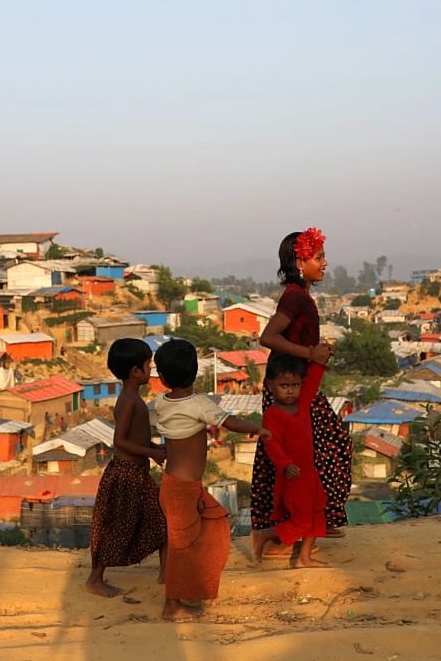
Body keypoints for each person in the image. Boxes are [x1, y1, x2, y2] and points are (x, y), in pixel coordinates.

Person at [153, 339, 269, 622]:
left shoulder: (160, 402)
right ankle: (172, 604)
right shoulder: (199, 404)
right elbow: (229, 423)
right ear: (196, 372)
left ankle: (184, 586)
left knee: (200, 532)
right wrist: (259, 429)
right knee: (186, 543)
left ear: (163, 378)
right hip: (183, 489)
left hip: (177, 485)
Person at [254, 228, 351, 549]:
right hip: (291, 389)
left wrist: (316, 352)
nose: (325, 263)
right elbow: (268, 338)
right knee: (326, 448)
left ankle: (313, 521)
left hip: (297, 385)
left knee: (312, 451)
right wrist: (311, 354)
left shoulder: (300, 295)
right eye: (319, 257)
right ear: (300, 261)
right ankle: (304, 523)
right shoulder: (296, 296)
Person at [86, 338, 167, 597]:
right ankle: (95, 579)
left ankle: (167, 575)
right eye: (148, 365)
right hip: (126, 474)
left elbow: (135, 437)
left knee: (161, 521)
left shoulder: (132, 398)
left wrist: (154, 446)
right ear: (136, 371)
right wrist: (153, 452)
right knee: (116, 528)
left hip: (136, 472)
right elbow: (119, 441)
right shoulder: (129, 401)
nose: (151, 369)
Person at [250, 354, 330, 568]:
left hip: (309, 473)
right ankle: (264, 535)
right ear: (270, 385)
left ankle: (304, 558)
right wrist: (285, 464)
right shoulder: (273, 414)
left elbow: (312, 381)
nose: (290, 390)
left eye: (295, 385)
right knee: (302, 519)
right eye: (284, 385)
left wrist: (320, 361)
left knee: (316, 513)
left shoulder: (302, 404)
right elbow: (271, 444)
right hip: (292, 475)